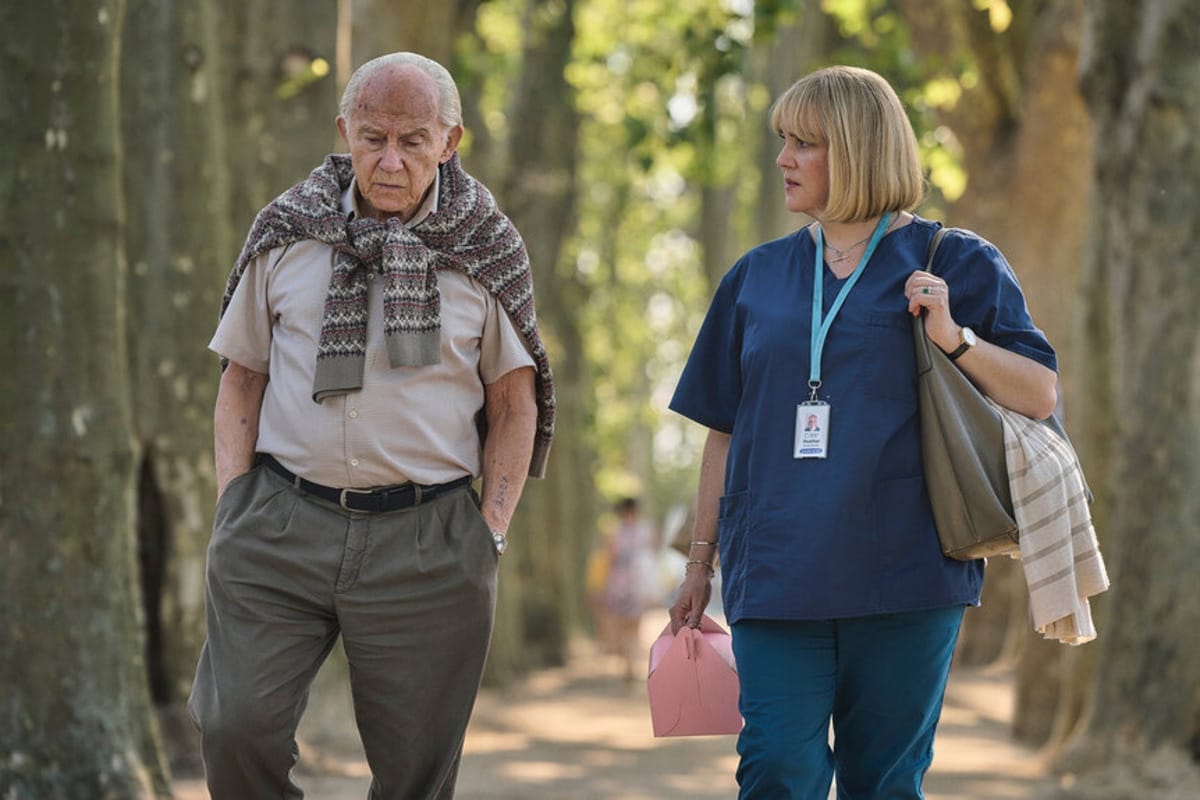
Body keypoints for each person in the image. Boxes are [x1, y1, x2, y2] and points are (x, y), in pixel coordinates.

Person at [667, 65, 1057, 799]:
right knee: (777, 768)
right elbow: (722, 429)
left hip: (909, 573)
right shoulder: (755, 277)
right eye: (783, 140)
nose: (782, 158)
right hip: (776, 574)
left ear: (857, 151)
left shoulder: (955, 261)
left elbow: (1039, 394)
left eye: (803, 143)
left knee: (885, 781)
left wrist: (956, 337)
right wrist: (698, 564)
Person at [187, 52, 555, 800]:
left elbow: (517, 406)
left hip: (427, 540)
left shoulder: (488, 247)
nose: (390, 160)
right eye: (372, 137)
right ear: (344, 131)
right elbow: (241, 379)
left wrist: (490, 531)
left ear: (451, 142)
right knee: (234, 729)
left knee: (415, 776)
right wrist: (234, 503)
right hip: (279, 525)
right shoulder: (286, 229)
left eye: (413, 141)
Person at [596, 497, 657, 683]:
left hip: (627, 583)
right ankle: (629, 663)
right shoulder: (643, 531)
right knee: (626, 626)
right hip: (630, 583)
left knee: (631, 625)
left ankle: (629, 664)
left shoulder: (617, 533)